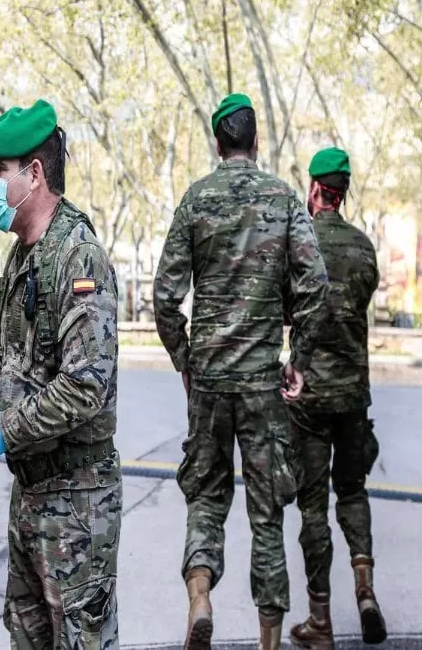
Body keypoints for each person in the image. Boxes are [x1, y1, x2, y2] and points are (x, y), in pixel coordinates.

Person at [0, 99, 123, 649]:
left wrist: (4, 429)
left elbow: (86, 385)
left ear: (34, 173)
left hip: (78, 501)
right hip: (31, 494)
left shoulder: (78, 257)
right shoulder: (24, 255)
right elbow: (9, 355)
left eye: (0, 170)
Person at [152, 93, 330, 650]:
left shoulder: (196, 200)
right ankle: (269, 643)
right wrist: (296, 359)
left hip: (208, 383)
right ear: (255, 142)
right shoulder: (282, 199)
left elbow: (163, 298)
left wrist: (186, 362)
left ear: (217, 143)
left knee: (205, 497)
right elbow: (315, 286)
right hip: (261, 384)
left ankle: (201, 597)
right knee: (267, 515)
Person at [286, 148, 386, 649]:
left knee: (312, 507)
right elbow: (357, 304)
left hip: (308, 400)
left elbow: (291, 311)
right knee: (353, 493)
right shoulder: (364, 248)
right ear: (342, 192)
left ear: (313, 189)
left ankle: (319, 619)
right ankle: (365, 588)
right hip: (353, 397)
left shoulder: (300, 246)